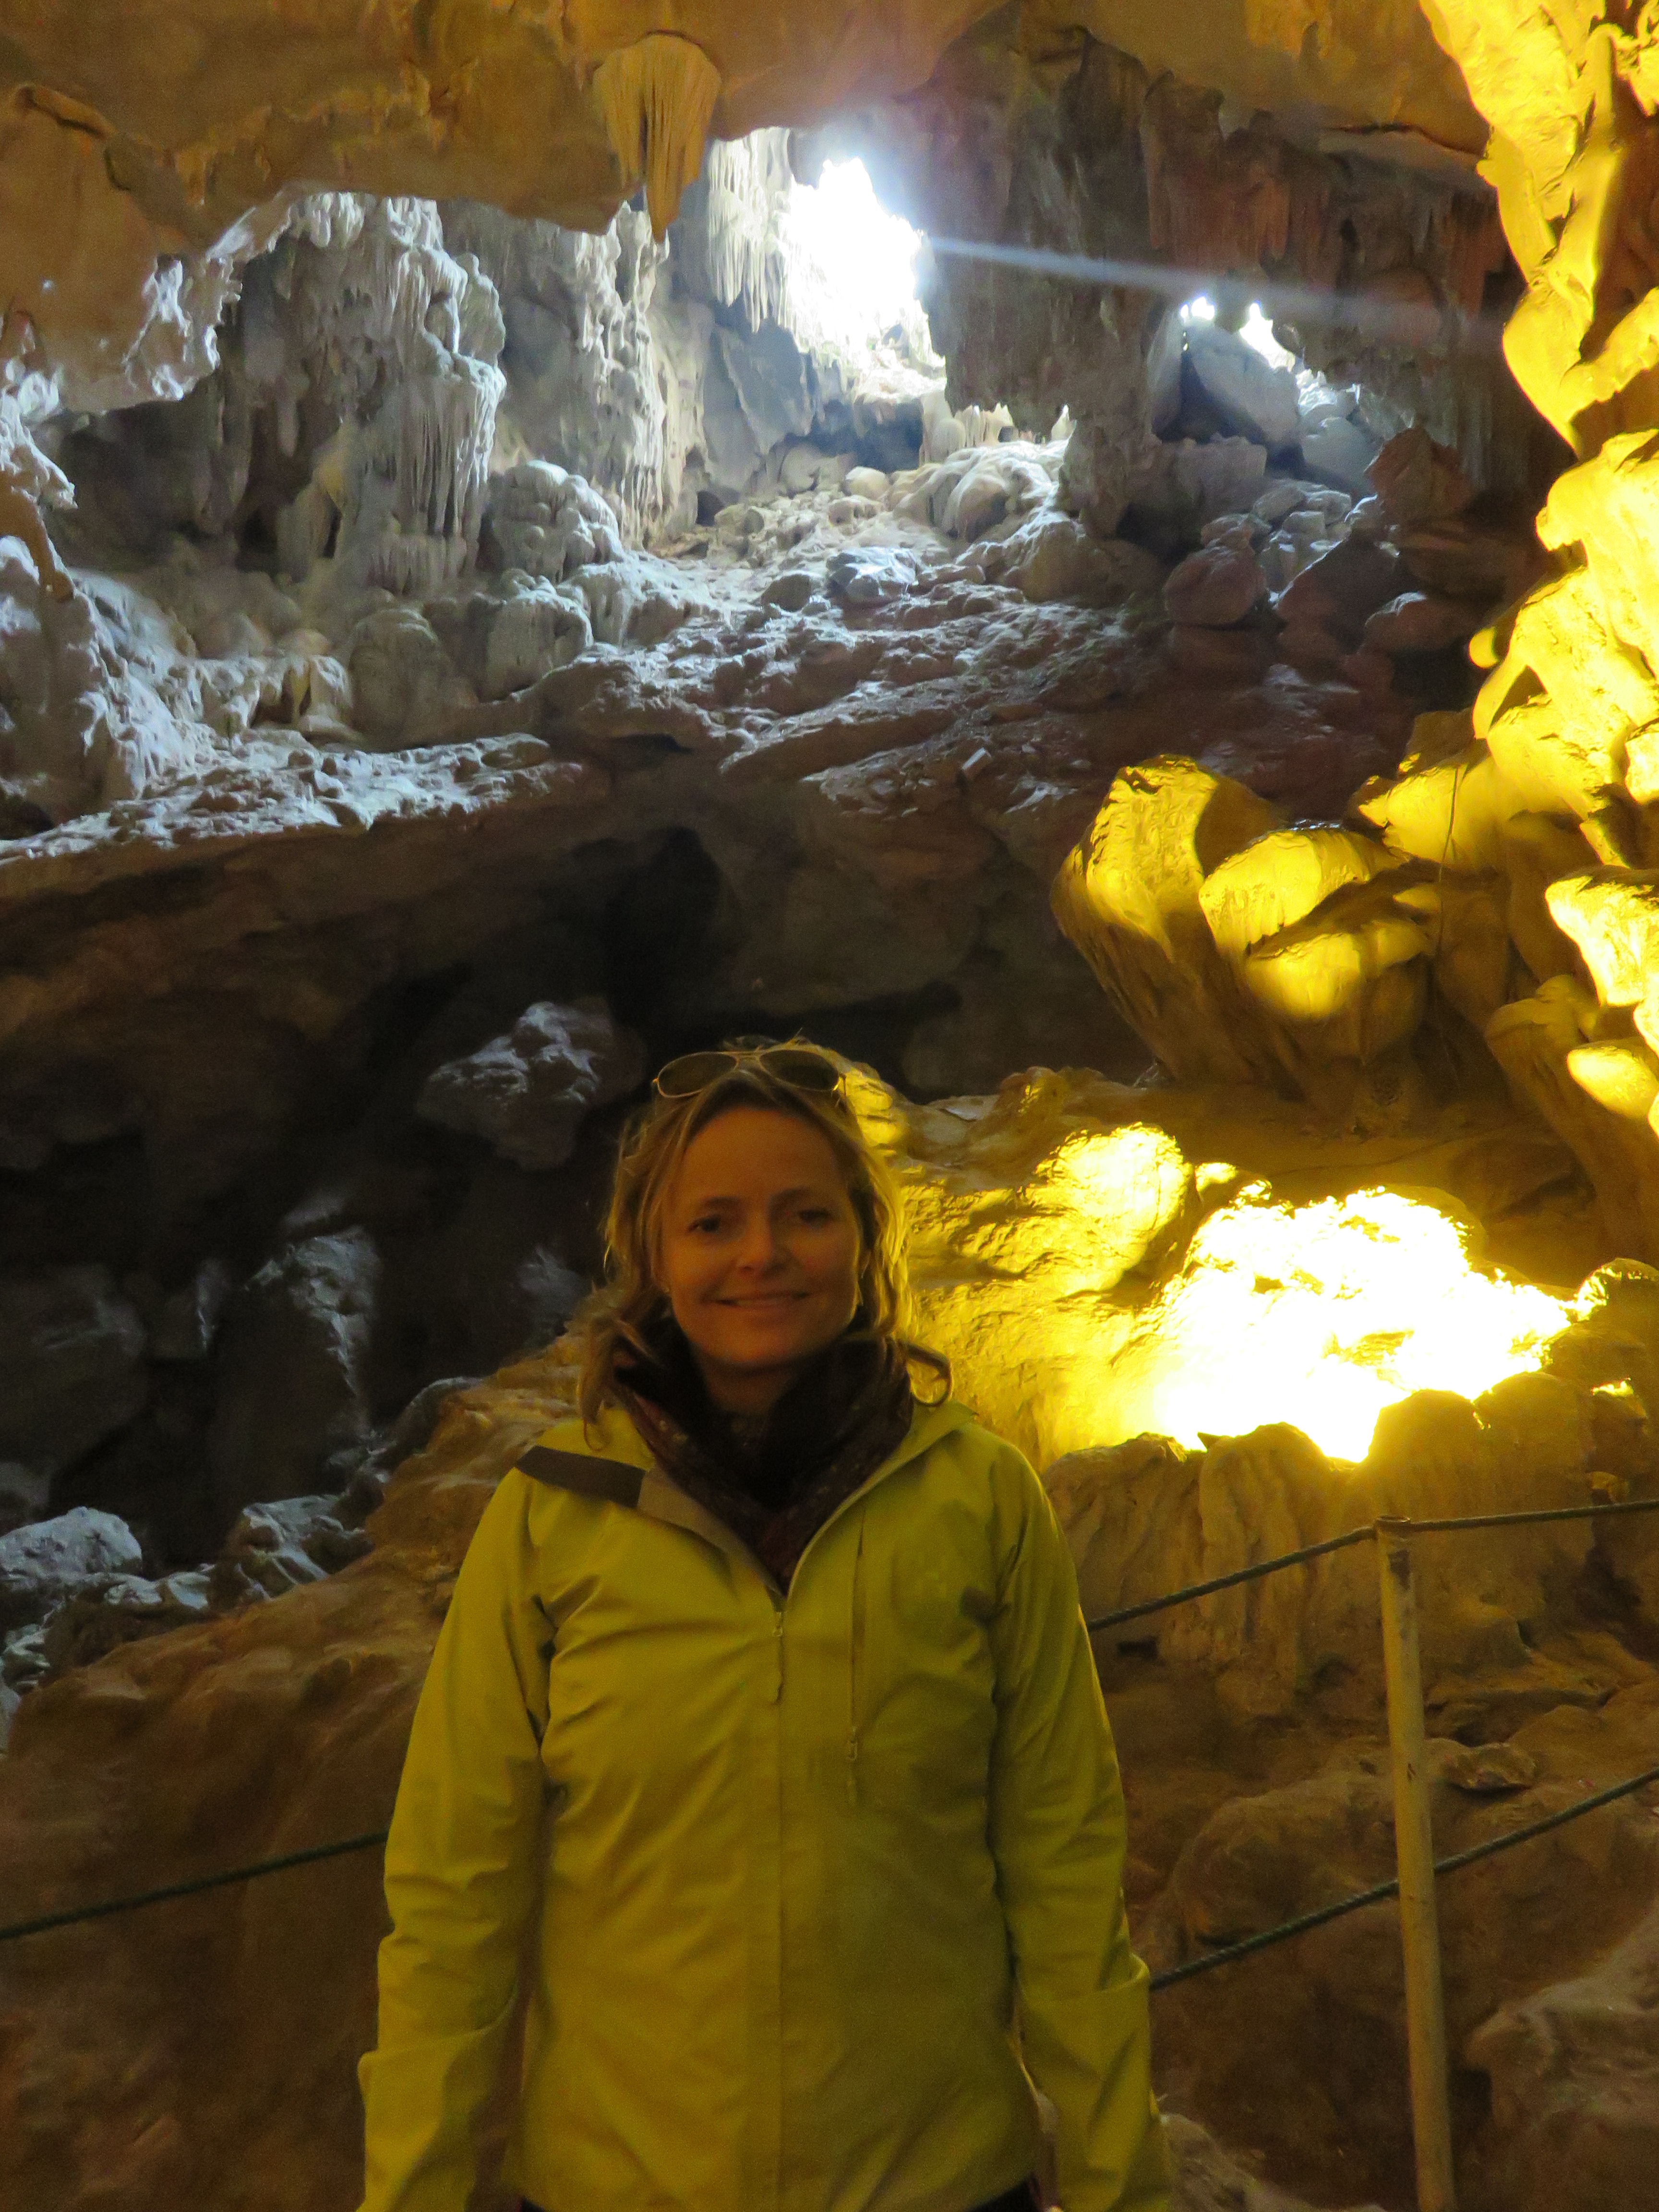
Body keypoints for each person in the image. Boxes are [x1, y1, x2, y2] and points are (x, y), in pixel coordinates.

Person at [358, 1039, 1171, 2212]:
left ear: (864, 1238)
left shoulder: (979, 1501)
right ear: (653, 1255)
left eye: (805, 1215)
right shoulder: (553, 1519)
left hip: (934, 2182)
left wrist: (1117, 2182)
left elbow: (1067, 1869)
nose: (760, 1255)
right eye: (713, 1224)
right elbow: (453, 1893)